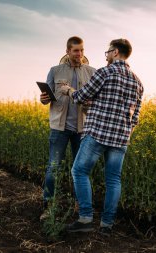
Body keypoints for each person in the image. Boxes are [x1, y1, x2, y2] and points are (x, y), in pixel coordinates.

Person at [59, 38, 144, 236]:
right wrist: (123, 133)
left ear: (115, 52)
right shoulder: (137, 81)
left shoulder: (105, 72)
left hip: (98, 133)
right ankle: (107, 225)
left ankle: (85, 218)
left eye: (107, 52)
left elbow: (80, 96)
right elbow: (135, 118)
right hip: (121, 138)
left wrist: (67, 90)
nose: (106, 56)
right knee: (113, 180)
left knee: (79, 171)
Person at [39, 36, 96, 220]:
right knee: (53, 167)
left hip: (83, 129)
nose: (79, 54)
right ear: (68, 51)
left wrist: (89, 102)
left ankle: (80, 206)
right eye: (76, 50)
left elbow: (95, 101)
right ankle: (49, 206)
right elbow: (45, 97)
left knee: (81, 170)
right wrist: (43, 99)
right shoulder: (54, 71)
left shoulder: (92, 72)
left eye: (82, 50)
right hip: (59, 128)